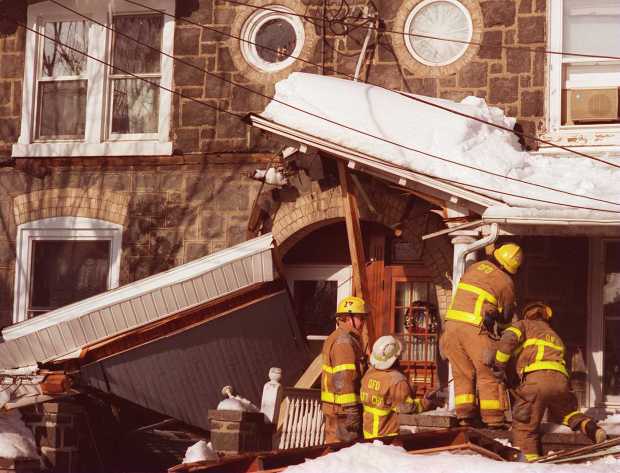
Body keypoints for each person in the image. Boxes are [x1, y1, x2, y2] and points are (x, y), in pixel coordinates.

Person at [492, 301, 607, 462]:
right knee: (566, 413)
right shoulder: (555, 336)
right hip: (561, 382)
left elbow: (508, 339)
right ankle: (590, 428)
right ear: (546, 317)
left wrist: (499, 364)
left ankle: (529, 464)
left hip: (537, 380)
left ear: (527, 314)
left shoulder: (524, 325)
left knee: (525, 426)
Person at [440, 243, 522, 428]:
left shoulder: (475, 267)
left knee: (462, 373)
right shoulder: (506, 282)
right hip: (474, 328)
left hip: (451, 327)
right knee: (488, 374)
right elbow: (507, 317)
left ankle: (465, 417)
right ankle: (494, 420)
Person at [360, 335, 442, 439]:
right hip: (387, 438)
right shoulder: (396, 380)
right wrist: (426, 402)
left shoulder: (369, 373)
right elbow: (406, 407)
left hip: (368, 435)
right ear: (395, 358)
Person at [321, 295, 368, 443]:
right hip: (342, 411)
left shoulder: (341, 337)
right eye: (361, 318)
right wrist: (351, 410)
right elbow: (344, 378)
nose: (363, 323)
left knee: (337, 457)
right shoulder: (344, 342)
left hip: (337, 409)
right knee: (341, 456)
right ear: (349, 318)